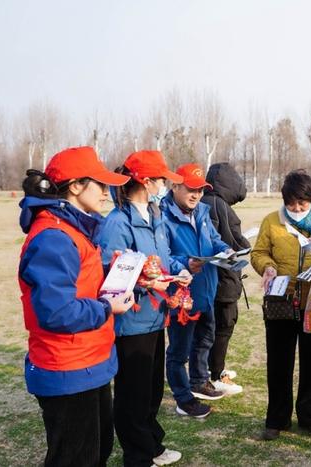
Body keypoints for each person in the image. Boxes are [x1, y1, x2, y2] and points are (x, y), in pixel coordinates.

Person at [18, 146, 135, 467]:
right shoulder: (54, 237)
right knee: (74, 458)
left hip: (88, 363)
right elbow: (56, 312)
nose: (107, 193)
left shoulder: (75, 230)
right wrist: (106, 307)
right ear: (75, 186)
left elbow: (82, 283)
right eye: (100, 184)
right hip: (66, 368)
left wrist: (124, 278)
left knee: (96, 452)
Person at [99, 150, 191, 467]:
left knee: (152, 390)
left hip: (156, 317)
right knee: (132, 394)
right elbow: (111, 276)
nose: (165, 185)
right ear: (147, 181)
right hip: (132, 321)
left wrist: (178, 270)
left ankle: (152, 444)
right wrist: (146, 285)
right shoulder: (116, 223)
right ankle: (137, 456)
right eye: (162, 179)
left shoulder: (156, 215)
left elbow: (161, 259)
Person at [251, 170, 311, 441]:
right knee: (279, 362)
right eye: (292, 204)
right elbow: (259, 252)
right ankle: (277, 418)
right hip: (281, 301)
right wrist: (267, 268)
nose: (298, 209)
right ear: (284, 200)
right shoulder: (271, 222)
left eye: (302, 203)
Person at [161, 163, 232, 418]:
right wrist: (183, 264)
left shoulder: (202, 211)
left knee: (205, 339)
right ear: (175, 186)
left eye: (200, 190)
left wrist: (226, 250)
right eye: (191, 189)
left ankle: (199, 380)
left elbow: (213, 239)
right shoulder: (163, 216)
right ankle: (182, 397)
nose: (196, 195)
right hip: (182, 297)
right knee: (179, 350)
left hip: (206, 291)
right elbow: (160, 256)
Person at [202, 162, 251, 396]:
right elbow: (232, 240)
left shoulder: (208, 202)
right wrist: (246, 245)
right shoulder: (217, 205)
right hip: (223, 278)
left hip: (218, 277)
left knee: (214, 327)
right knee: (223, 325)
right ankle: (215, 374)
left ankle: (213, 370)